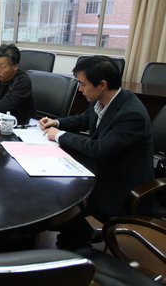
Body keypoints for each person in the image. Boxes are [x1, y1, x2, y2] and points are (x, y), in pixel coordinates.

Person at [40, 55, 154, 248]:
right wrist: (57, 123)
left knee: (56, 201)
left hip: (120, 186)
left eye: (83, 84)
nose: (79, 89)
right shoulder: (102, 99)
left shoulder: (131, 114)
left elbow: (100, 149)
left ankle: (77, 245)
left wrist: (59, 135)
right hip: (101, 171)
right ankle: (82, 235)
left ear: (102, 84)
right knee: (48, 188)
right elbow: (84, 119)